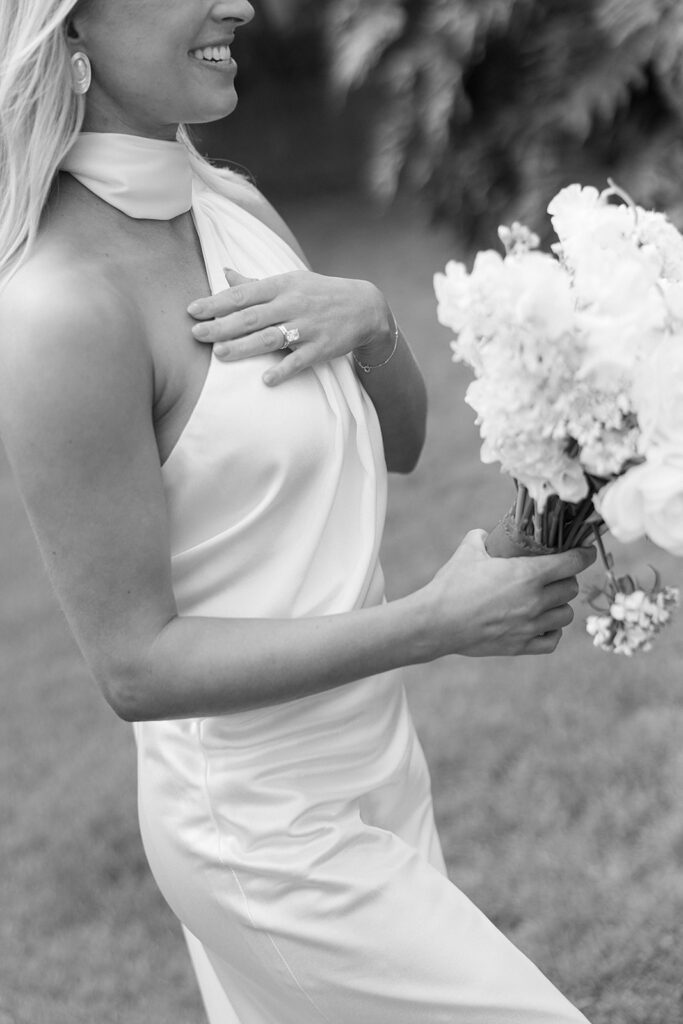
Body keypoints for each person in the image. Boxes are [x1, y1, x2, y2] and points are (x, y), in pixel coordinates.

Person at [0, 1, 597, 1022]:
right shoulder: (60, 310)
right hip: (260, 831)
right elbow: (134, 666)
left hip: (372, 764)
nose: (235, 2)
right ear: (70, 30)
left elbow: (399, 441)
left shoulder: (230, 205)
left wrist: (370, 319)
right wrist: (435, 621)